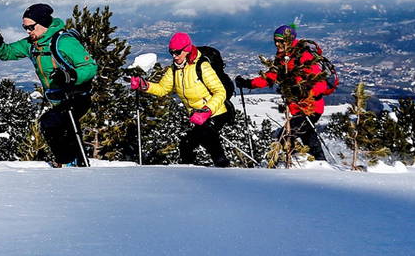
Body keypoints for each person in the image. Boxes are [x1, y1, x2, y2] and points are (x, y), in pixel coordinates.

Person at [0, 3, 97, 167]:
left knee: (52, 123)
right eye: (25, 28)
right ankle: (73, 163)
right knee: (59, 128)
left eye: (31, 27)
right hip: (57, 98)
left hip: (76, 95)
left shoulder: (64, 42)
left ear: (43, 23)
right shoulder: (32, 44)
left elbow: (90, 67)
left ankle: (68, 163)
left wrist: (70, 76)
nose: (28, 31)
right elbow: (7, 53)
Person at [130, 32, 232, 167]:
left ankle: (222, 170)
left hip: (216, 112)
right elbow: (162, 89)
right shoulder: (175, 69)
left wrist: (206, 110)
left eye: (177, 52)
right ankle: (199, 171)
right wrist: (145, 86)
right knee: (189, 144)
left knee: (201, 139)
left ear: (187, 49)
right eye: (171, 52)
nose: (174, 56)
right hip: (197, 115)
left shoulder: (202, 66)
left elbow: (220, 92)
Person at [235, 24, 334, 161]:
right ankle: (320, 163)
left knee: (286, 135)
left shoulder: (303, 55)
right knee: (307, 137)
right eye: (275, 40)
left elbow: (319, 81)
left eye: (281, 41)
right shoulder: (282, 57)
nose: (277, 44)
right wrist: (249, 83)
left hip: (310, 107)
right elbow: (272, 76)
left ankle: (282, 163)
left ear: (289, 39)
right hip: (297, 107)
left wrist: (303, 92)